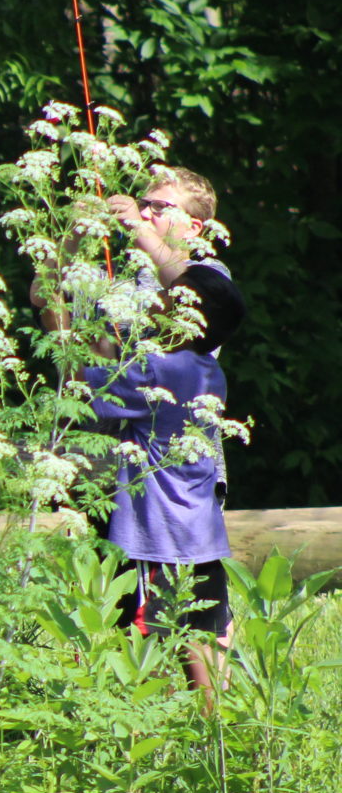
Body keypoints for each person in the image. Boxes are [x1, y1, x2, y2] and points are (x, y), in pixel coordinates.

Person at [74, 167, 244, 708]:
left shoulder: (204, 270)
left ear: (196, 226)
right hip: (122, 471)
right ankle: (150, 724)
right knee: (125, 611)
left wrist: (138, 231)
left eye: (157, 206)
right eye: (141, 205)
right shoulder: (133, 273)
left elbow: (203, 297)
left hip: (174, 473)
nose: (143, 213)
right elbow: (51, 301)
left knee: (189, 611)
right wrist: (75, 235)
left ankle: (208, 731)